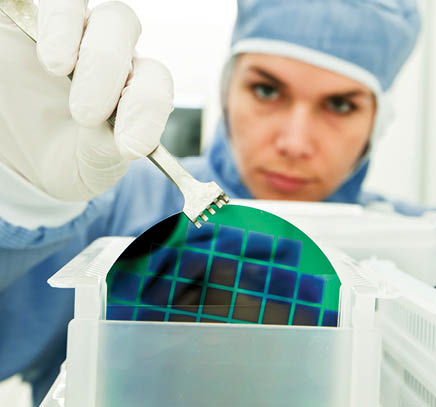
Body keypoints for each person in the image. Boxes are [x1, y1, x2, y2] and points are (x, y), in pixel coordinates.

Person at [0, 0, 422, 405]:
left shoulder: (418, 241)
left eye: (340, 104)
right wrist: (20, 198)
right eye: (267, 90)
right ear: (227, 91)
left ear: (377, 121)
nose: (295, 142)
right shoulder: (109, 202)